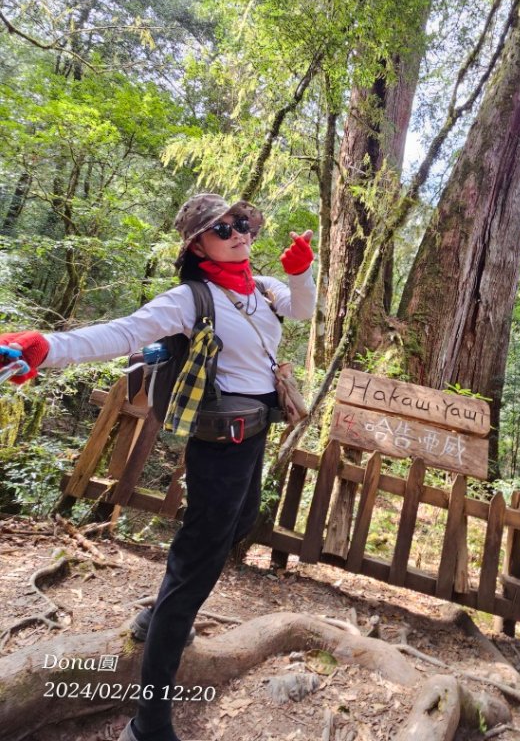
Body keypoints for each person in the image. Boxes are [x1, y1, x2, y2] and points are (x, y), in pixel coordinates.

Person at [0, 193, 316, 741]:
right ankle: (149, 721)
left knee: (241, 524)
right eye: (223, 228)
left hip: (255, 433)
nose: (239, 232)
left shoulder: (263, 289)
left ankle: (156, 617)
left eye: (242, 222)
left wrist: (302, 272)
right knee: (197, 570)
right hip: (220, 444)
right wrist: (45, 346)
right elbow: (122, 333)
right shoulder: (189, 299)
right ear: (197, 246)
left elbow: (304, 309)